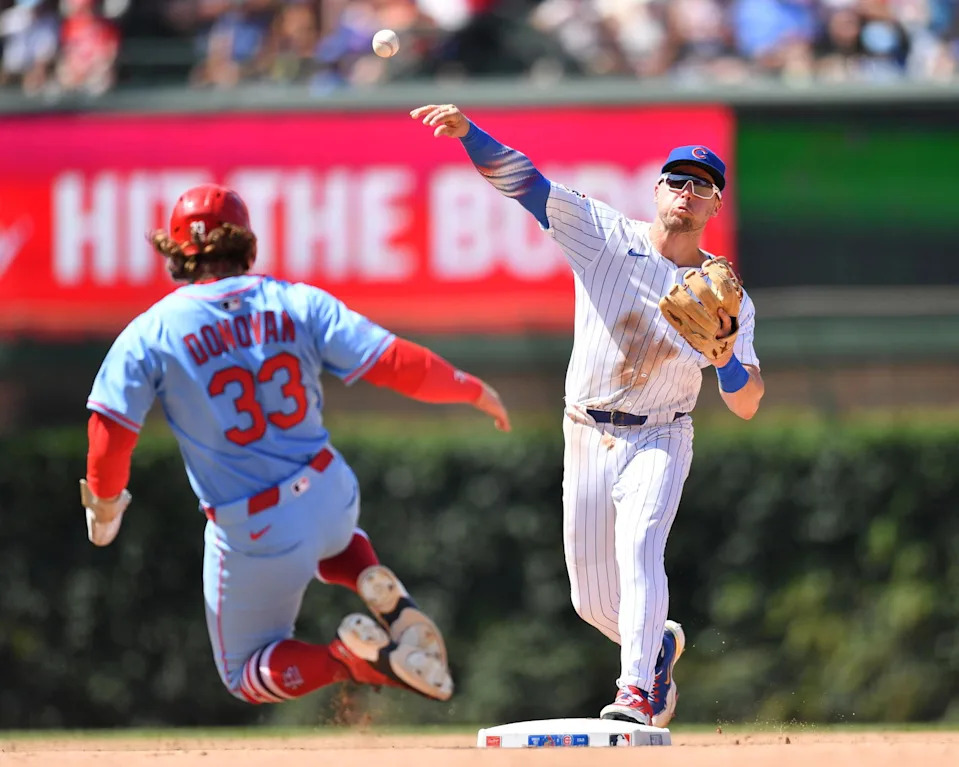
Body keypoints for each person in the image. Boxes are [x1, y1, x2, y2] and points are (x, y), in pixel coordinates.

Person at [81, 183, 511, 706]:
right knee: (329, 540)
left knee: (244, 673)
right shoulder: (296, 300)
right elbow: (395, 362)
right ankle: (364, 572)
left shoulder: (149, 332)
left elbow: (111, 432)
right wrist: (468, 387)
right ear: (248, 245)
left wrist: (106, 506)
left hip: (255, 527)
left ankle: (348, 659)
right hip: (331, 491)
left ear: (175, 252)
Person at [411, 104, 764, 726]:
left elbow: (747, 402)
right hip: (586, 432)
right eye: (677, 179)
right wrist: (470, 134)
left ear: (715, 206)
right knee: (592, 600)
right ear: (657, 190)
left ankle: (635, 693)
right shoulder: (605, 233)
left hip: (662, 434)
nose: (687, 191)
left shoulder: (728, 295)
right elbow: (526, 182)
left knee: (641, 548)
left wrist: (728, 358)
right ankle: (658, 646)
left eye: (701, 185)